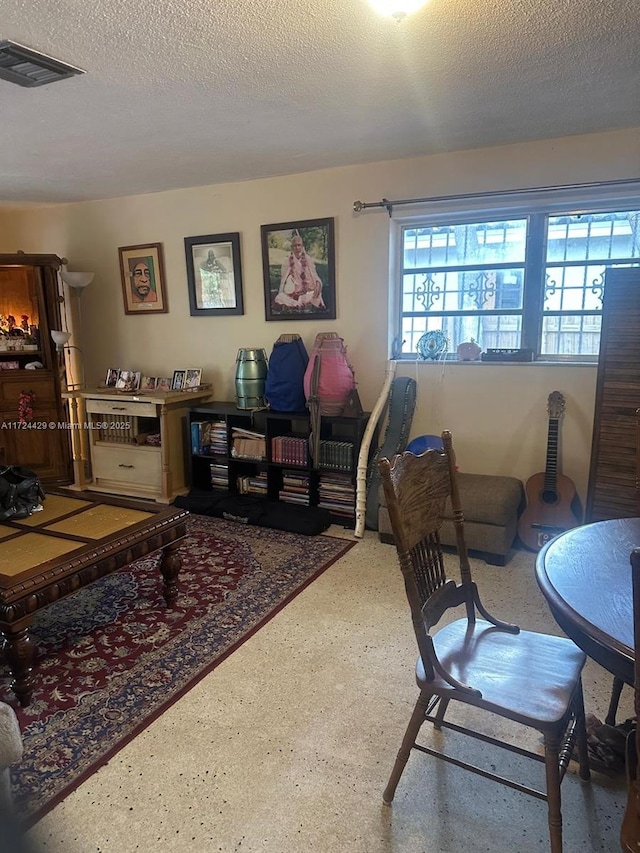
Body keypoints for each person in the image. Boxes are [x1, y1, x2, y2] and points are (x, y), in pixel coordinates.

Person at [274, 232, 325, 310]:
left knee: (316, 295)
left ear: (302, 246)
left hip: (306, 293)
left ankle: (299, 304)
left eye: (299, 245)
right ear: (291, 247)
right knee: (279, 297)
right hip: (292, 295)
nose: (297, 248)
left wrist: (318, 284)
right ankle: (298, 304)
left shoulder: (308, 260)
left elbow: (315, 276)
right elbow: (283, 281)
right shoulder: (287, 262)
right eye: (295, 245)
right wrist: (289, 291)